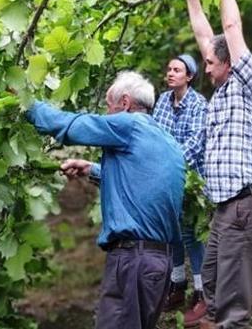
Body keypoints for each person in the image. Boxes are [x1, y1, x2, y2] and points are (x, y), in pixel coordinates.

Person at [23, 71, 186, 329]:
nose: (106, 114)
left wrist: (26, 104)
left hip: (132, 260)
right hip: (158, 264)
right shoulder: (168, 141)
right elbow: (144, 184)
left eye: (108, 106)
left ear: (124, 103)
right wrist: (92, 169)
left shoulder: (128, 125)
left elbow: (70, 126)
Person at [181, 0, 252, 329]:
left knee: (233, 306)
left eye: (209, 63)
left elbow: (230, 27)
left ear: (230, 63)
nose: (204, 68)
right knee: (209, 287)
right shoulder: (221, 92)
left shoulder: (251, 86)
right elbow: (206, 37)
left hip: (246, 206)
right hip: (226, 209)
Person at [152, 54, 208, 319]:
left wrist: (169, 165)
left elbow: (196, 146)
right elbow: (156, 137)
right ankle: (177, 284)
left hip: (190, 179)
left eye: (177, 70)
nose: (171, 73)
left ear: (189, 76)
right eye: (169, 69)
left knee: (190, 234)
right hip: (165, 178)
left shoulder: (199, 104)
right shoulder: (163, 100)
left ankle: (202, 292)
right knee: (170, 232)